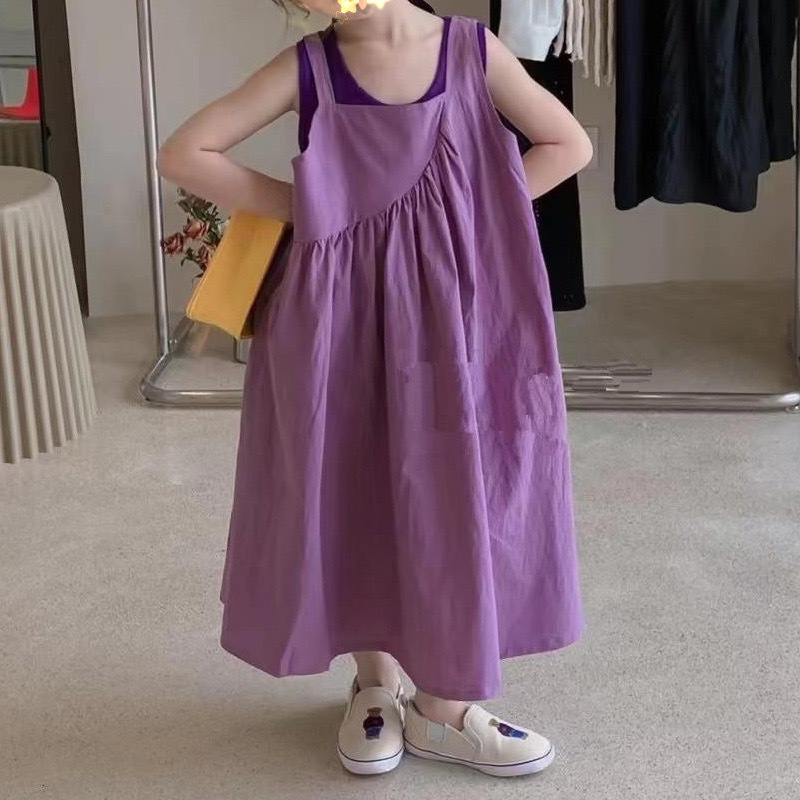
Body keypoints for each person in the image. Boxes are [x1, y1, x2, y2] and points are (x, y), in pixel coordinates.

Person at [158, 0, 591, 779]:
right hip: (338, 324)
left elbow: (569, 143)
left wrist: (478, 211)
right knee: (352, 480)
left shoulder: (470, 52)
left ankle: (445, 707)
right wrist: (310, 203)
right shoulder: (310, 66)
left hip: (452, 321)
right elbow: (185, 153)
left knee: (453, 487)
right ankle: (374, 682)